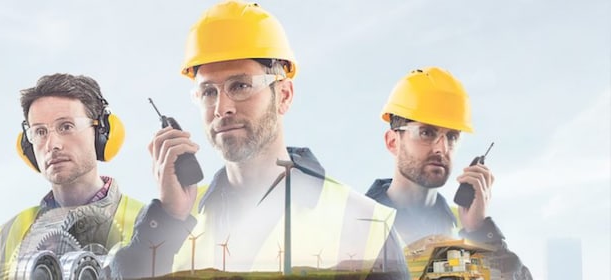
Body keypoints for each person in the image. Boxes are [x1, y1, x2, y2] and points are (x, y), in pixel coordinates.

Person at [112, 1, 409, 278]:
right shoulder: (177, 218)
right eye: (208, 92)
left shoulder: (363, 223)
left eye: (240, 85)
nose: (221, 107)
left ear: (284, 95)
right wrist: (168, 217)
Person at [366, 66, 532, 279]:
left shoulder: (466, 224)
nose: (441, 148)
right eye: (426, 132)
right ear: (392, 141)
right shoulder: (357, 220)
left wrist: (480, 231)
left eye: (452, 136)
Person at [0, 73, 145, 280]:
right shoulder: (4, 239)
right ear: (28, 146)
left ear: (102, 132)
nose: (52, 145)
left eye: (66, 127)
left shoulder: (152, 224)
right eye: (40, 132)